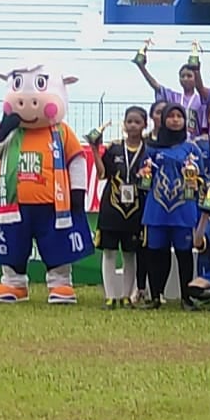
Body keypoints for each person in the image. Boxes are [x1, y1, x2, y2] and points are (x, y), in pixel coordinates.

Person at [141, 104, 201, 311]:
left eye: (179, 116)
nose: (175, 120)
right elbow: (143, 177)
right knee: (156, 253)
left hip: (183, 208)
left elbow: (200, 177)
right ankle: (156, 296)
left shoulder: (191, 148)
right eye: (171, 116)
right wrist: (143, 175)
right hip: (156, 208)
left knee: (184, 254)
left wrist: (195, 179)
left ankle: (186, 298)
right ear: (163, 119)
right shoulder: (151, 148)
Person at [94, 106, 148, 309]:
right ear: (124, 124)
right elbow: (102, 174)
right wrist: (94, 150)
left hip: (136, 209)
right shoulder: (114, 148)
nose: (133, 125)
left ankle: (126, 296)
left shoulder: (148, 150)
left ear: (145, 125)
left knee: (130, 253)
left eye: (137, 122)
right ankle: (110, 296)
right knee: (109, 252)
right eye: (129, 121)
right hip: (112, 208)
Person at [135, 58, 206, 139]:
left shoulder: (201, 100)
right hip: (172, 139)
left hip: (194, 140)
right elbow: (156, 86)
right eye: (182, 76)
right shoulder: (173, 97)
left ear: (196, 78)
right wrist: (142, 67)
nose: (185, 79)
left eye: (189, 76)